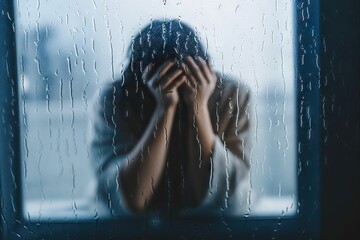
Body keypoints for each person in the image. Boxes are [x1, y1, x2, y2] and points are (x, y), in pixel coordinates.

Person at [88, 19, 251, 216]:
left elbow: (221, 194)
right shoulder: (115, 97)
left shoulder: (232, 94)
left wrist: (197, 105)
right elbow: (133, 196)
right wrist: (165, 107)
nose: (174, 88)